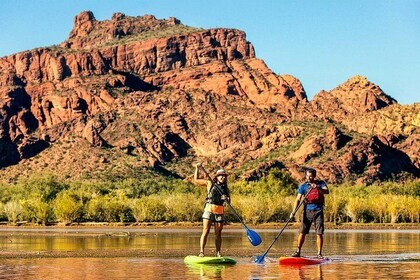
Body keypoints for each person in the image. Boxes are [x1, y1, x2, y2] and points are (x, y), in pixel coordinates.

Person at [290, 168, 329, 258]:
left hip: (318, 210)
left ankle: (319, 254)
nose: (309, 177)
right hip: (307, 211)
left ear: (314, 176)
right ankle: (298, 251)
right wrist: (293, 211)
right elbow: (298, 199)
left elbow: (327, 191)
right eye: (307, 176)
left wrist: (318, 188)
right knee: (302, 232)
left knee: (319, 233)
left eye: (311, 176)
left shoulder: (321, 183)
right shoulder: (303, 186)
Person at [194, 163, 230, 257]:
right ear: (217, 177)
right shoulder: (210, 183)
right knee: (205, 231)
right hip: (209, 210)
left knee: (218, 233)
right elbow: (196, 180)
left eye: (224, 176)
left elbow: (228, 202)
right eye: (221, 176)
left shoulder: (225, 188)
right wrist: (197, 168)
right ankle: (202, 252)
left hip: (219, 212)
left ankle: (218, 253)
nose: (223, 177)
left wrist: (226, 199)